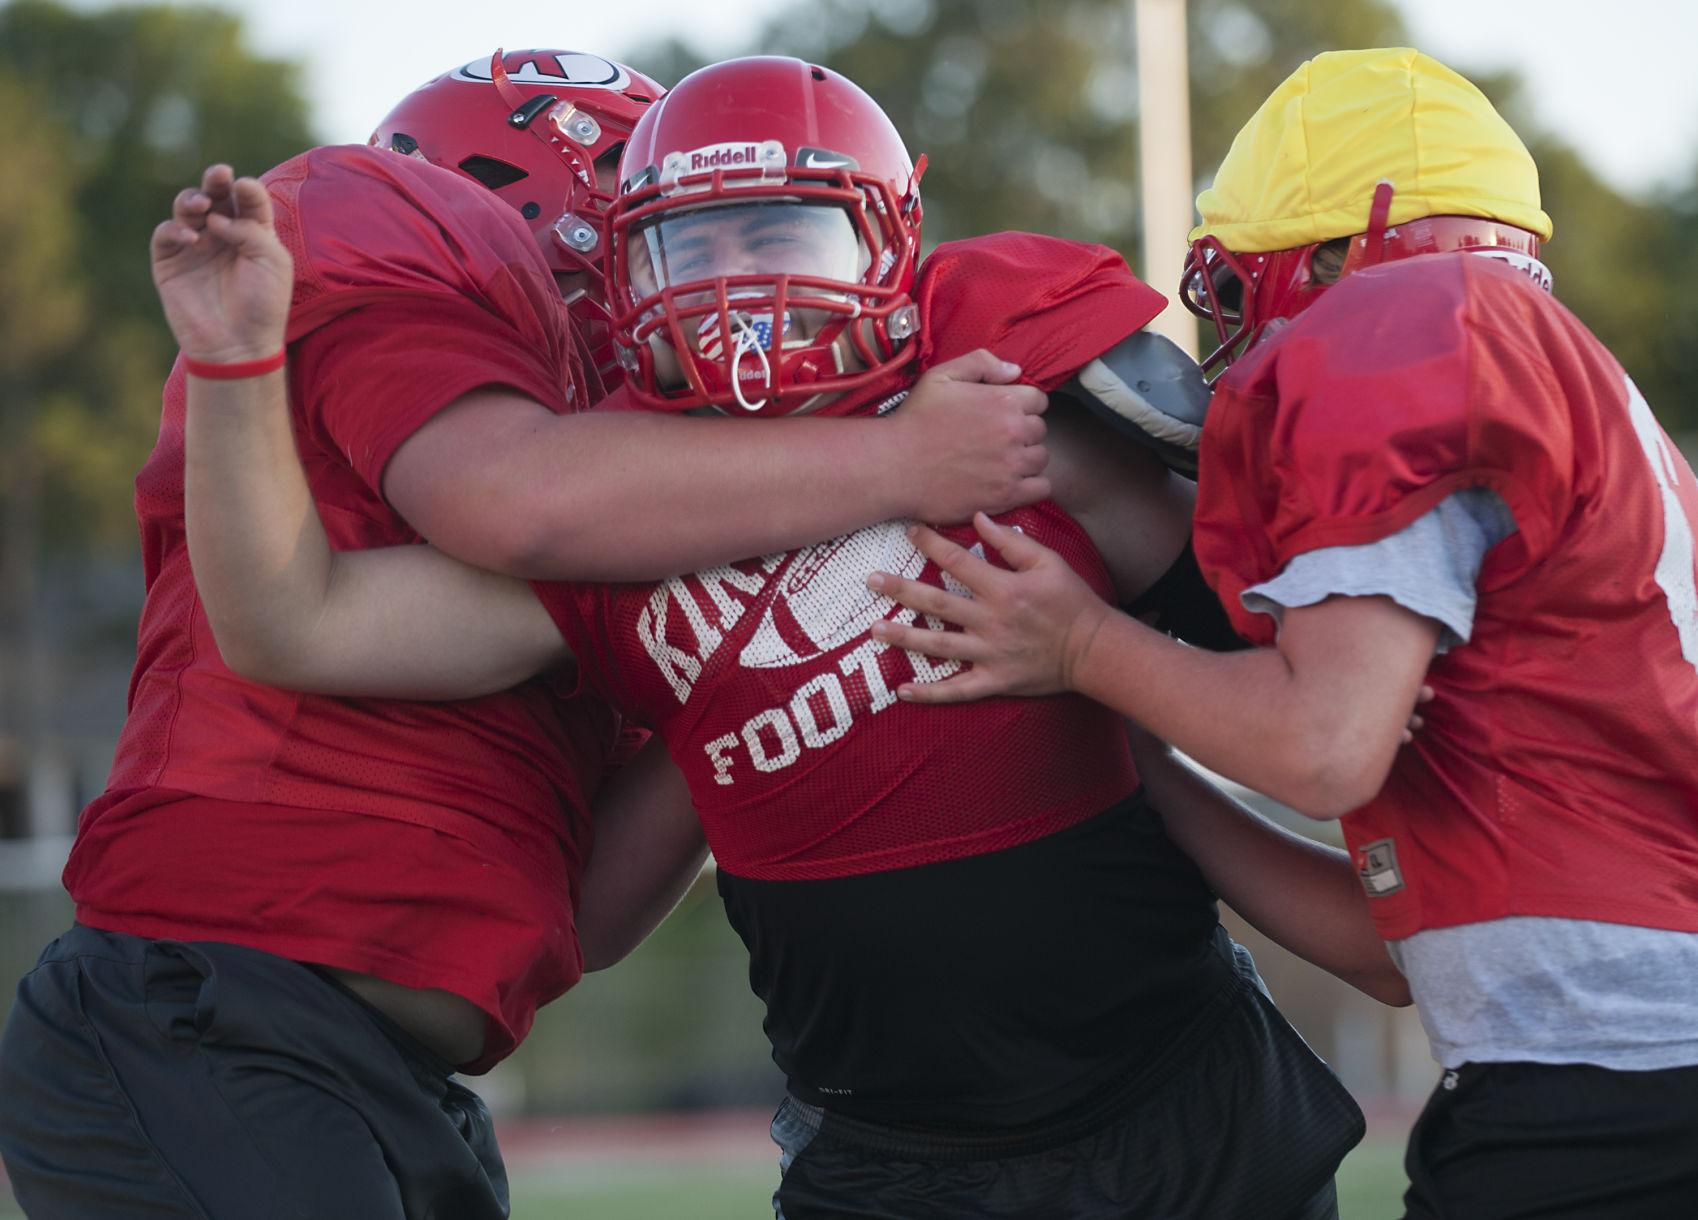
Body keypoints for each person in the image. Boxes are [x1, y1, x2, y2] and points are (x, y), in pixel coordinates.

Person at [168, 55, 1408, 1219]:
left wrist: (1109, 674)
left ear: (889, 238)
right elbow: (298, 621)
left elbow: (1308, 677)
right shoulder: (615, 530)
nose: (740, 287)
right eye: (690, 243)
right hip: (892, 1158)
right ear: (621, 274)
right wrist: (233, 369)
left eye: (782, 232)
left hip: (1176, 1097)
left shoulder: (1034, 438)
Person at [0, 48, 1058, 1220]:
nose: (706, 293)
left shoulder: (641, 537)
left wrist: (772, 652)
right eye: (676, 240)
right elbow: (503, 504)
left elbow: (588, 909)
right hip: (210, 1006)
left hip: (396, 1074)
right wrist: (897, 465)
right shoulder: (393, 218)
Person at [869, 47, 1698, 1220]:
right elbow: (1384, 945)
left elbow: (1322, 750)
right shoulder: (1545, 364)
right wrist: (1135, 758)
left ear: (1323, 254)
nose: (1225, 333)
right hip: (1614, 1069)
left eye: (1227, 289)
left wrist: (1084, 643)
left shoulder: (1406, 313)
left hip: (1607, 1097)